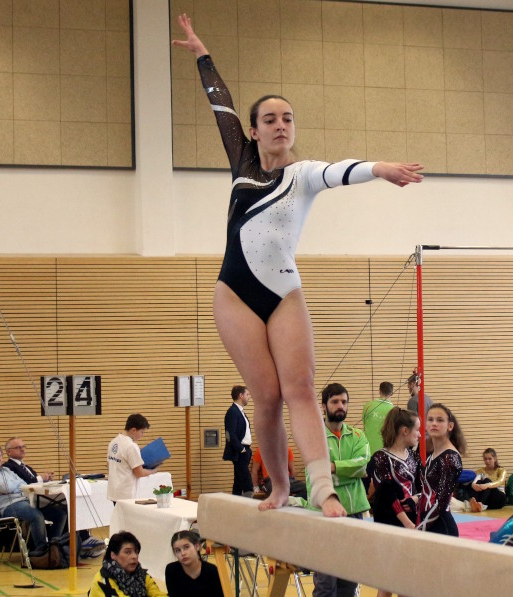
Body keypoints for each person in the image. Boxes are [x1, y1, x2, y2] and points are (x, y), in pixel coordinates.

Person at [172, 15, 423, 518]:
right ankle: (280, 488)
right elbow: (219, 102)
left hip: (283, 291)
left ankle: (323, 486)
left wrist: (381, 170)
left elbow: (341, 171)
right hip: (235, 294)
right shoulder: (241, 162)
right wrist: (202, 54)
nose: (281, 125)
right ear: (253, 130)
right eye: (270, 119)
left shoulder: (303, 175)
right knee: (264, 398)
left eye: (288, 118)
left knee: (301, 388)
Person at [310, 383, 371, 597]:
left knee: (349, 579)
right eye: (335, 401)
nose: (340, 406)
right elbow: (315, 472)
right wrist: (350, 472)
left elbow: (363, 465)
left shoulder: (357, 436)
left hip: (354, 511)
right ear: (324, 405)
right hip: (323, 513)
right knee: (326, 582)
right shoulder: (314, 436)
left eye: (344, 402)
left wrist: (334, 467)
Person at [3, 437, 104, 558]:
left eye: (23, 446)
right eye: (18, 447)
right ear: (8, 451)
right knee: (56, 510)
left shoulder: (26, 467)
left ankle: (57, 545)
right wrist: (41, 478)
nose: (22, 449)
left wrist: (45, 479)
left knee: (63, 511)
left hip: (37, 499)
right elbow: (25, 483)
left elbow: (33, 481)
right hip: (24, 502)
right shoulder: (8, 467)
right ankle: (46, 549)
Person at [0, 445, 67, 555]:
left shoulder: (6, 470)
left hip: (25, 500)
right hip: (9, 506)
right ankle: (41, 551)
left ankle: (53, 546)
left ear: (2, 457)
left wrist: (12, 489)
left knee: (60, 513)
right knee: (36, 516)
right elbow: (6, 487)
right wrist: (13, 488)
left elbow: (24, 484)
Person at [416, 404, 465, 535]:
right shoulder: (432, 454)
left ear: (450, 426)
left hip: (441, 526)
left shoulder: (450, 458)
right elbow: (430, 489)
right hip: (428, 521)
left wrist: (421, 528)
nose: (434, 423)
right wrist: (415, 499)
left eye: (440, 420)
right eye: (430, 419)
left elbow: (441, 503)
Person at [369, 407, 421, 529]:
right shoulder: (380, 458)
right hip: (389, 520)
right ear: (405, 431)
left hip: (412, 516)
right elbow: (387, 494)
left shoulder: (414, 456)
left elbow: (424, 487)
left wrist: (414, 499)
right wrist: (407, 523)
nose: (419, 434)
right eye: (417, 430)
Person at [88, 531, 164, 597]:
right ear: (113, 555)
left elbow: (158, 594)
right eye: (127, 552)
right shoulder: (102, 580)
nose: (134, 556)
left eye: (136, 552)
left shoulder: (143, 576)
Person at [107, 414, 155, 502]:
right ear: (134, 430)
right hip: (126, 494)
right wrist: (152, 471)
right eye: (142, 432)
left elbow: (109, 465)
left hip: (114, 491)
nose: (142, 435)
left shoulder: (113, 442)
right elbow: (139, 473)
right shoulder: (131, 446)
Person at [362, 381, 397, 491]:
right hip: (386, 453)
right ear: (392, 393)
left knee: (367, 484)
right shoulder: (395, 411)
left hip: (368, 451)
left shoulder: (368, 406)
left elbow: (365, 424)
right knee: (383, 484)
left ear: (379, 391)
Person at [165, 530, 222, 596]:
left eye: (186, 547)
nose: (183, 553)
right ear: (174, 553)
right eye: (178, 550)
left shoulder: (212, 571)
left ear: (197, 546)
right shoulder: (171, 570)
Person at [223, 385, 253, 497]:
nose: (248, 397)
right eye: (247, 394)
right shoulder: (233, 412)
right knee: (247, 483)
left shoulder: (240, 412)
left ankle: (235, 503)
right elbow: (230, 434)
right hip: (240, 451)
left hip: (245, 450)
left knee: (238, 482)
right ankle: (248, 506)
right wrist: (241, 449)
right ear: (241, 395)